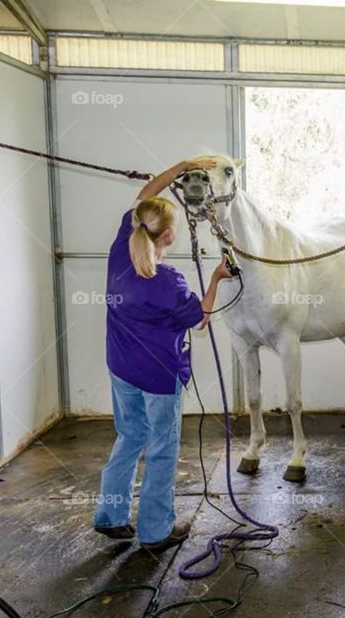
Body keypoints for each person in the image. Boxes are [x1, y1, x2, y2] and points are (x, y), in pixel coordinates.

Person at [93, 158, 234, 552]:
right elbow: (200, 318)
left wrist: (184, 166)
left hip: (120, 369)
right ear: (169, 236)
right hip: (158, 377)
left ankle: (111, 515)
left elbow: (145, 196)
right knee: (160, 449)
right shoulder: (169, 281)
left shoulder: (120, 252)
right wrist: (217, 279)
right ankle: (155, 532)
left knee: (129, 436)